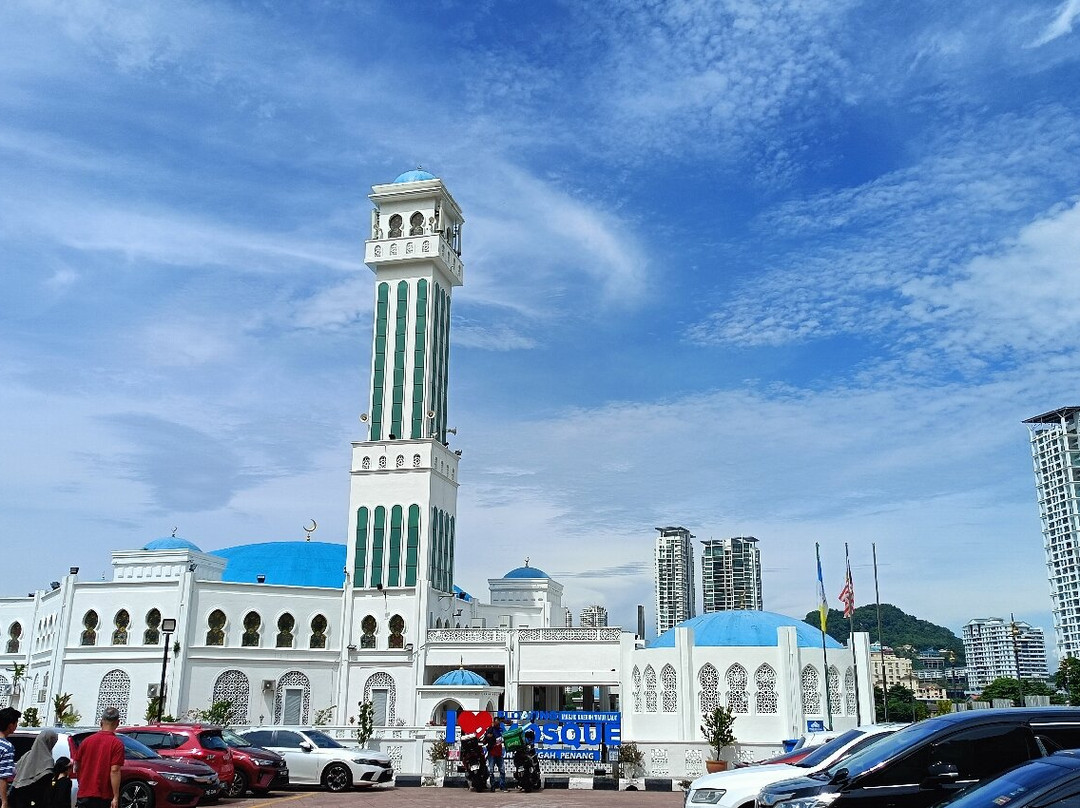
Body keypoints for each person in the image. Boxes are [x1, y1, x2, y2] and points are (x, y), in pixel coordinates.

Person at [72, 708, 123, 808]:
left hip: (84, 793)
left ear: (101, 722)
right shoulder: (117, 744)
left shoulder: (86, 741)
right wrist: (116, 796)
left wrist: (81, 781)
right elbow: (115, 770)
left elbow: (76, 766)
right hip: (103, 795)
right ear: (117, 723)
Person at [11, 729, 57, 808]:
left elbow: (15, 770)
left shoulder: (27, 755)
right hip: (34, 801)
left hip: (18, 797)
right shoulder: (48, 761)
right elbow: (43, 790)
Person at [0, 707, 22, 808]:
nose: (16, 726)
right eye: (16, 723)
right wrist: (4, 801)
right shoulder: (7, 747)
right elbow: (3, 777)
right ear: (10, 725)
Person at [484, 718, 506, 792]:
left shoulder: (501, 730)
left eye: (498, 724)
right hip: (492, 754)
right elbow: (485, 739)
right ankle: (492, 786)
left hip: (499, 753)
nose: (498, 725)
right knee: (491, 771)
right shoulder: (490, 730)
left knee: (502, 770)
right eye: (496, 723)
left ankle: (502, 786)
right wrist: (489, 736)